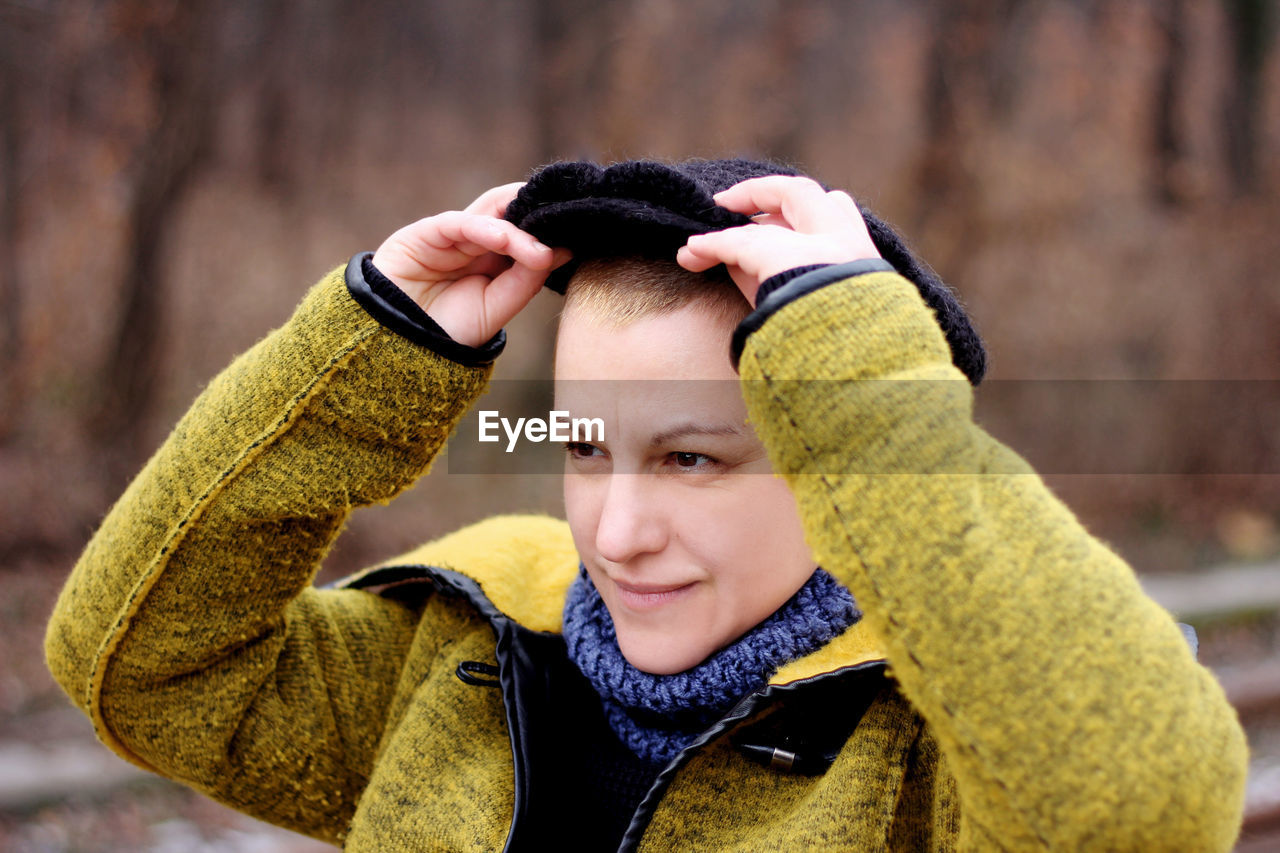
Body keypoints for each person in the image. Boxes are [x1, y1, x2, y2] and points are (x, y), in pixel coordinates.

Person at [45, 158, 1247, 851]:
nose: (615, 535)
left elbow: (1140, 808)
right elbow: (139, 664)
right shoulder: (461, 645)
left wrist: (853, 372)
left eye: (692, 461)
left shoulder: (945, 744)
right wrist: (366, 352)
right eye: (583, 450)